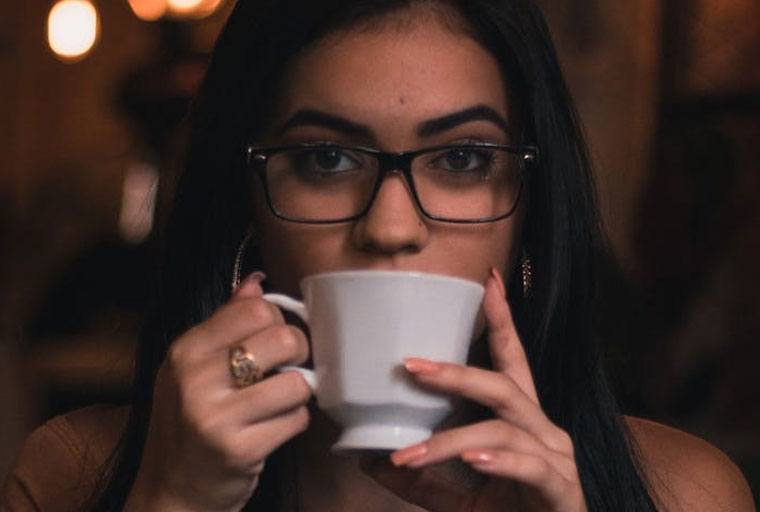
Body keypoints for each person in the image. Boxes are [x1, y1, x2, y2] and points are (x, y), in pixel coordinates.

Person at [2, 1, 755, 511]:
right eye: (327, 159)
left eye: (462, 158)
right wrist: (173, 502)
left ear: (529, 211)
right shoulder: (73, 471)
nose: (391, 226)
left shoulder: (683, 492)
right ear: (247, 208)